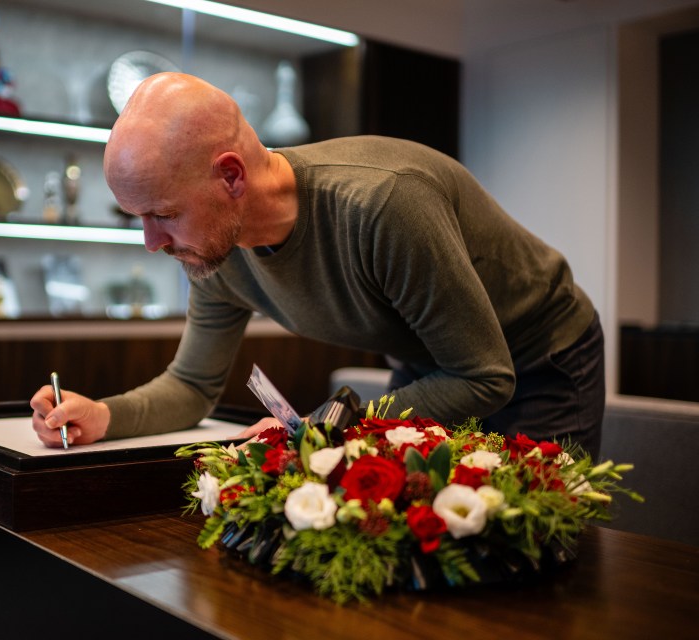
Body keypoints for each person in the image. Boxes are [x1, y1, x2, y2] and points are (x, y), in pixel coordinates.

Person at [30, 72, 605, 458]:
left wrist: (315, 426)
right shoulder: (213, 249)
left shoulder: (383, 205)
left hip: (541, 352)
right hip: (430, 364)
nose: (152, 242)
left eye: (162, 214)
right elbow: (192, 385)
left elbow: (484, 375)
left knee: (535, 547)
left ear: (231, 177)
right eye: (139, 218)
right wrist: (102, 416)